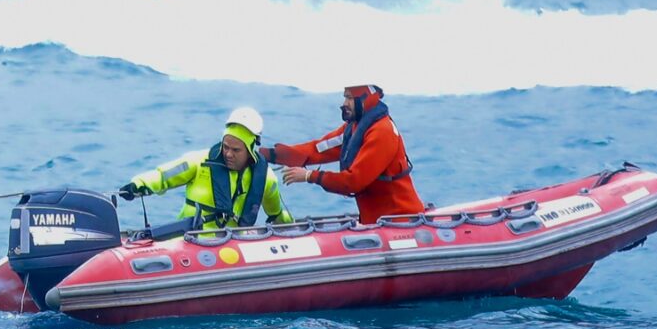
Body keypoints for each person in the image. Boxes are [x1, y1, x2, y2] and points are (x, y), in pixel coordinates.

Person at [119, 106, 290, 232]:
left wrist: (295, 232)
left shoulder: (266, 178)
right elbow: (163, 176)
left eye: (236, 150)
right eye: (226, 147)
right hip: (191, 240)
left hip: (233, 246)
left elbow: (277, 215)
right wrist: (138, 185)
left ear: (251, 148)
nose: (229, 154)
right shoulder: (199, 161)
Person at [270, 84, 426, 224]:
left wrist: (309, 176)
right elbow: (318, 149)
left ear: (367, 97)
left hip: (401, 220)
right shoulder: (354, 129)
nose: (344, 104)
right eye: (345, 97)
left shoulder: (382, 132)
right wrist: (271, 155)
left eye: (349, 98)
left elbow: (353, 181)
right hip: (377, 222)